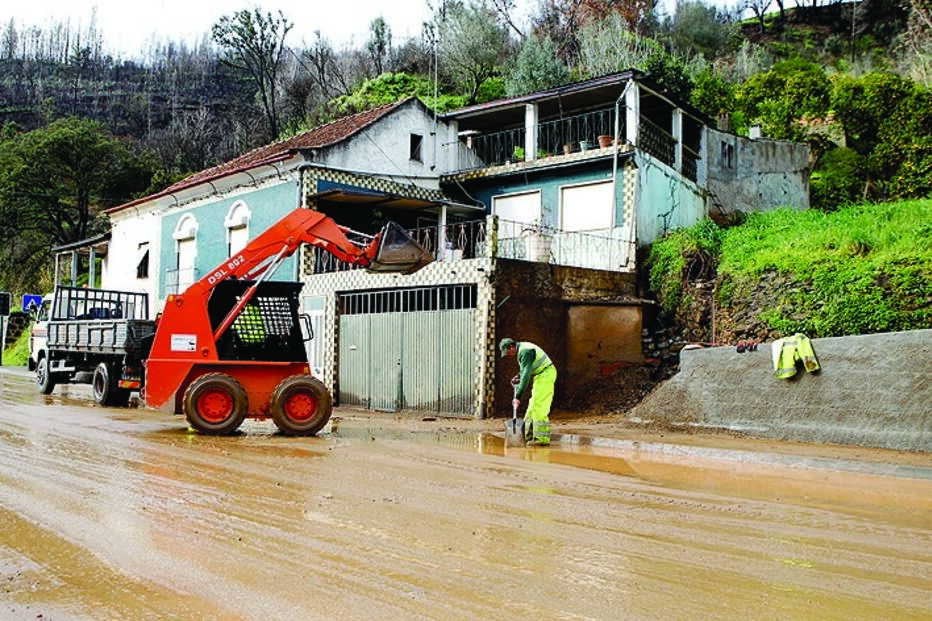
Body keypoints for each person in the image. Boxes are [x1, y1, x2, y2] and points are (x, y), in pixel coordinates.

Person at [499, 337, 556, 446]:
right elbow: (526, 370)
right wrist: (518, 376)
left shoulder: (525, 352)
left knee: (539, 407)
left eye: (508, 352)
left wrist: (518, 396)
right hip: (539, 376)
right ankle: (528, 436)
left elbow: (526, 376)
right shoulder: (522, 350)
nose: (508, 355)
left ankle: (541, 439)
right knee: (531, 408)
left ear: (511, 347)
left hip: (546, 374)